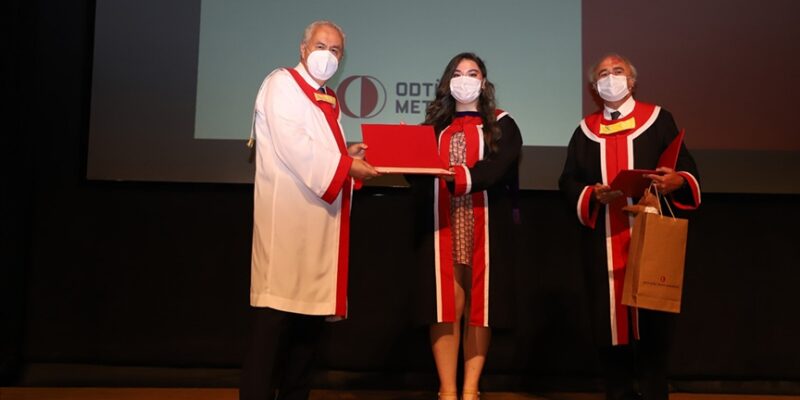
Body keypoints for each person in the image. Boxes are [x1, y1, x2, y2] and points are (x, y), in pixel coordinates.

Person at [240, 20, 379, 400]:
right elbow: (295, 147)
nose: (327, 56)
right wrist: (346, 167)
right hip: (286, 225)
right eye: (321, 46)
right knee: (272, 329)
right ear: (303, 49)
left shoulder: (327, 99)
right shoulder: (282, 84)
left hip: (318, 228)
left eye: (335, 51)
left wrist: (345, 154)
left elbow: (318, 150)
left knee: (306, 335)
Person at [559, 54, 701, 400]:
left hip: (651, 237)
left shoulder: (658, 120)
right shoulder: (585, 131)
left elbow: (685, 169)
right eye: (603, 74)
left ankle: (654, 392)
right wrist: (592, 194)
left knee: (654, 325)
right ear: (594, 88)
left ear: (632, 81)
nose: (611, 78)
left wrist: (677, 180)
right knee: (609, 325)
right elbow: (568, 181)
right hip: (604, 242)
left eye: (618, 71)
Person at [408, 52, 522, 400]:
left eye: (473, 73)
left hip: (485, 223)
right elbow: (417, 177)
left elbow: (497, 169)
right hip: (442, 224)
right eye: (458, 73)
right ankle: (447, 389)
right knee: (446, 306)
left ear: (483, 83)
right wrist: (401, 154)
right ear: (448, 82)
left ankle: (471, 389)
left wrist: (456, 176)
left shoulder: (502, 124)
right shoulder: (432, 128)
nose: (465, 79)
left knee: (479, 307)